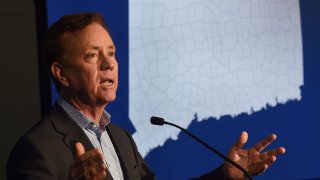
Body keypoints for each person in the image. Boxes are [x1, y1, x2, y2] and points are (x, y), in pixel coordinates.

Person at [6, 13, 285, 180]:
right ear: (61, 73)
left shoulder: (120, 138)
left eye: (112, 53)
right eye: (92, 55)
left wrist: (224, 176)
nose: (109, 64)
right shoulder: (36, 150)